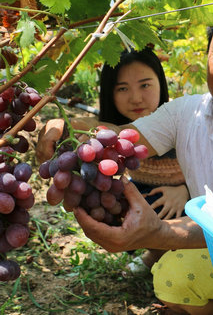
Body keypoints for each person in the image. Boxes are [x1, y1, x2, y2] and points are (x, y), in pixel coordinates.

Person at [36, 0, 213, 315]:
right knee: (171, 276)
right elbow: (122, 138)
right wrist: (65, 127)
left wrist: (161, 234)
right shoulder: (187, 112)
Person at [37, 48, 190, 268]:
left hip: (190, 198)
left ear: (161, 82)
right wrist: (68, 125)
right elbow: (110, 130)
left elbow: (211, 168)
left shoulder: (179, 120)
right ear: (110, 93)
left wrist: (184, 190)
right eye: (122, 88)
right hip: (147, 193)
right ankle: (156, 253)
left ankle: (175, 252)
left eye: (145, 85)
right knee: (119, 200)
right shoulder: (114, 136)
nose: (135, 97)